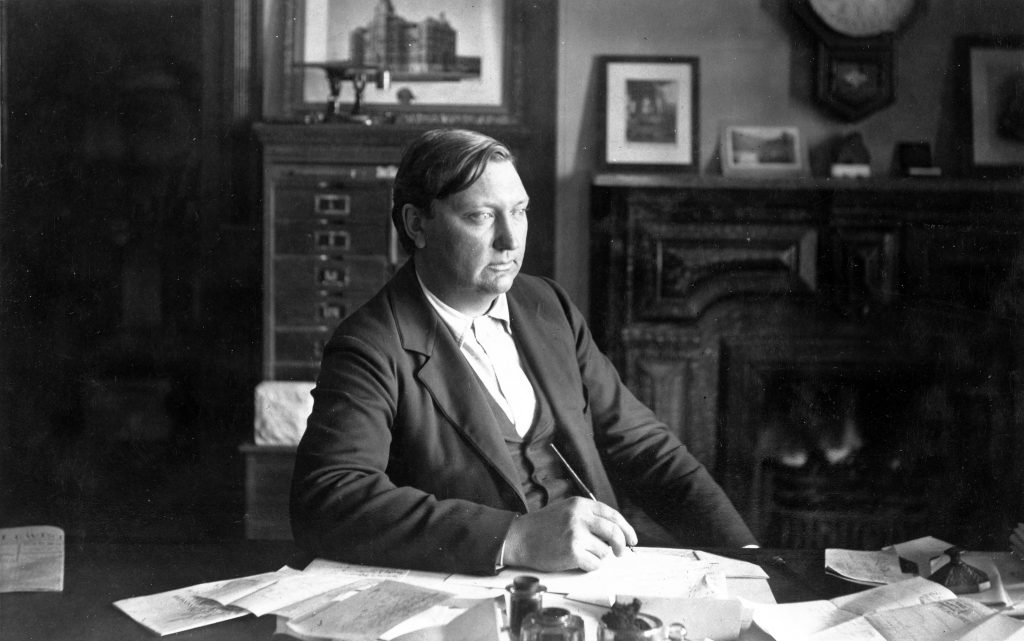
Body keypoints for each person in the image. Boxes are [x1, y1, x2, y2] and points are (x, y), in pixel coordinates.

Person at [290, 128, 756, 576]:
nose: (511, 240)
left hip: (603, 579)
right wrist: (514, 537)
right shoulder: (371, 343)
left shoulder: (546, 305)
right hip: (478, 597)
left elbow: (646, 449)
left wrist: (749, 557)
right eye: (481, 216)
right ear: (417, 225)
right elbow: (329, 498)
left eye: (520, 211)